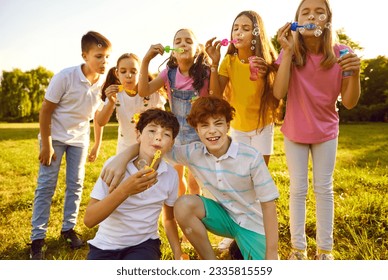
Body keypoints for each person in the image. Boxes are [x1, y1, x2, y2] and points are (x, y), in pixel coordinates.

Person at [100, 96, 279, 260]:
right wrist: (121, 158)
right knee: (183, 204)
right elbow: (156, 146)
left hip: (253, 223)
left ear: (227, 126)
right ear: (197, 130)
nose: (212, 131)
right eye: (204, 126)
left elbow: (269, 205)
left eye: (218, 124)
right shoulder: (193, 152)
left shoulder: (251, 156)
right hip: (223, 217)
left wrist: (271, 253)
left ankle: (239, 248)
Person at [274, 0, 361, 260]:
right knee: (298, 189)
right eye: (306, 12)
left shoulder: (342, 52)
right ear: (296, 22)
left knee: (324, 188)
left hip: (326, 133)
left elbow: (349, 102)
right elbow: (279, 92)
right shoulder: (289, 53)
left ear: (328, 20)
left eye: (319, 12)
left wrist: (354, 73)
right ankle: (298, 249)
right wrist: (287, 52)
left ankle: (325, 250)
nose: (312, 16)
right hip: (295, 132)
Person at [29, 31, 112, 260]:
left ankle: (68, 229)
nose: (104, 62)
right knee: (47, 185)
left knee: (75, 184)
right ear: (85, 55)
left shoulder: (104, 82)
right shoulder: (64, 77)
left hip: (79, 139)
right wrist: (46, 144)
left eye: (107, 57)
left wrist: (96, 144)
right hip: (54, 137)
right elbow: (45, 111)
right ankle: (37, 238)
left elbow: (98, 117)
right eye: (99, 56)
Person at [205, 10, 282, 251]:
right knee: (237, 183)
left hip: (262, 129)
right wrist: (213, 62)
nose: (239, 32)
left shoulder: (268, 61)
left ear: (257, 34)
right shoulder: (228, 61)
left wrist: (269, 70)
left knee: (257, 183)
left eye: (246, 28)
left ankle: (257, 227)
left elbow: (279, 94)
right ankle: (234, 230)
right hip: (237, 129)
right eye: (236, 27)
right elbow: (216, 95)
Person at [84, 108, 185, 260]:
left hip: (144, 245)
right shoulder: (114, 167)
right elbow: (89, 220)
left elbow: (169, 218)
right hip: (105, 245)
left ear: (171, 143)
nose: (158, 138)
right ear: (138, 134)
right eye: (152, 131)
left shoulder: (170, 175)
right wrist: (125, 190)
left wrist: (177, 252)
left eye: (166, 134)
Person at [138, 28, 211, 196]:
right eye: (178, 42)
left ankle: (194, 217)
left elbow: (216, 96)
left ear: (197, 49)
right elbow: (143, 91)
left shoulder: (206, 73)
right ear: (172, 51)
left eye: (188, 41)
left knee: (195, 186)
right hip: (175, 137)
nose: (183, 44)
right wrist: (145, 61)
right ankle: (179, 217)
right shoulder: (168, 74)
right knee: (177, 184)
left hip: (198, 139)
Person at [97, 53, 166, 154]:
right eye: (123, 71)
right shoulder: (115, 94)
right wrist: (111, 102)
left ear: (142, 73)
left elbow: (164, 120)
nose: (128, 75)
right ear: (117, 74)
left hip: (150, 146)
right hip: (125, 147)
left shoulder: (153, 94)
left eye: (133, 72)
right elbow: (101, 122)